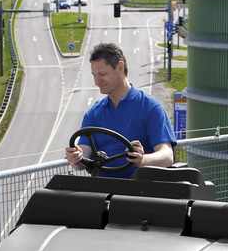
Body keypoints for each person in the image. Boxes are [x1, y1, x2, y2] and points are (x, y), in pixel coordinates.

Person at [64, 42, 177, 178]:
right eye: (94, 75)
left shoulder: (150, 107)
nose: (97, 81)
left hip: (141, 191)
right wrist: (75, 158)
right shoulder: (94, 114)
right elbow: (82, 158)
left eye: (102, 74)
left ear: (120, 67)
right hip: (103, 191)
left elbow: (167, 155)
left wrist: (143, 160)